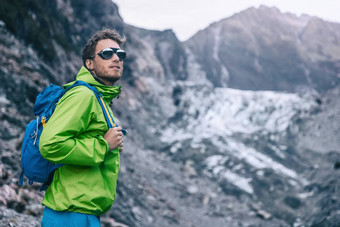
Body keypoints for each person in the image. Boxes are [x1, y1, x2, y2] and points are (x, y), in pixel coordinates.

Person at [39, 29, 127, 226]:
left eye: (120, 54)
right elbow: (50, 144)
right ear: (90, 64)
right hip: (71, 214)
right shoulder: (83, 95)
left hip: (82, 212)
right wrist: (103, 145)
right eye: (107, 54)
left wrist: (110, 145)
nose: (116, 58)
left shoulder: (99, 98)